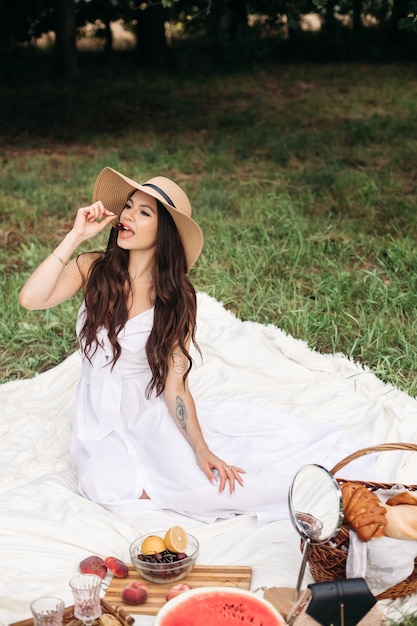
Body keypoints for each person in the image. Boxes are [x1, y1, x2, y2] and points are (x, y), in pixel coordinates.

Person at [19, 167, 374, 524]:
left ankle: (325, 488)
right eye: (128, 206)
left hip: (148, 413)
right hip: (99, 420)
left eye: (144, 212)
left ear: (165, 233)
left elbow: (175, 386)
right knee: (102, 485)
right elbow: (31, 298)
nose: (128, 216)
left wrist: (202, 449)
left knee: (202, 485)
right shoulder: (93, 268)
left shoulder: (175, 299)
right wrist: (76, 235)